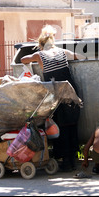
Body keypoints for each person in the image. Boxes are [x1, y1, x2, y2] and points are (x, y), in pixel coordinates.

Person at [21, 25, 85, 172]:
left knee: (59, 127)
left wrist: (35, 56)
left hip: (56, 96)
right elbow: (80, 56)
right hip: (71, 94)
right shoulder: (63, 51)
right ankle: (72, 159)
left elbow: (24, 59)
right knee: (72, 126)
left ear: (41, 45)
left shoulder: (40, 55)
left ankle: (63, 160)